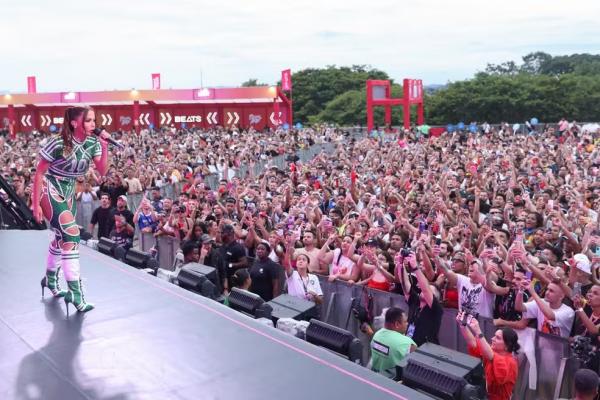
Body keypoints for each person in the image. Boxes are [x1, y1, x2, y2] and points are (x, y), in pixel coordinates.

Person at [32, 106, 110, 314]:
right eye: (88, 120)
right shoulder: (58, 142)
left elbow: (102, 171)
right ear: (75, 123)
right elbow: (39, 173)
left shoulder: (94, 142)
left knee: (61, 238)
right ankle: (75, 293)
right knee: (72, 235)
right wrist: (35, 203)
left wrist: (105, 145)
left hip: (69, 191)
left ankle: (50, 279)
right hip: (50, 188)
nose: (94, 124)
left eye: (94, 120)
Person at [456, 312, 519, 400]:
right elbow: (473, 343)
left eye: (497, 338)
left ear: (507, 345)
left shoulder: (511, 362)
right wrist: (463, 325)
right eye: (494, 336)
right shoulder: (492, 351)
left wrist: (478, 331)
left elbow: (491, 356)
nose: (492, 339)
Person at [369, 307, 416, 377]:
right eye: (405, 321)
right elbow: (415, 368)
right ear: (397, 324)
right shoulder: (407, 343)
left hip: (374, 378)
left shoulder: (376, 335)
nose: (407, 324)